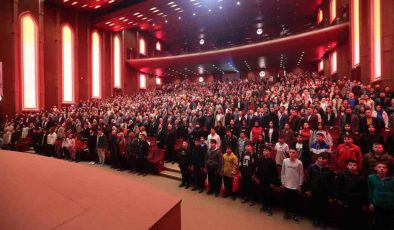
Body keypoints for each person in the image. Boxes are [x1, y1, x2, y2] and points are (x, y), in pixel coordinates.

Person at [335, 160, 368, 229]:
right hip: (345, 200)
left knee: (355, 218)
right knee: (345, 217)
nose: (352, 166)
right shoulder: (342, 175)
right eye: (350, 165)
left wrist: (364, 203)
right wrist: (339, 198)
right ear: (347, 166)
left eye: (354, 165)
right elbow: (338, 187)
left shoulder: (362, 177)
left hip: (356, 201)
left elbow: (364, 191)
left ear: (357, 167)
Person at [305, 153, 335, 228]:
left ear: (327, 160)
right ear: (317, 158)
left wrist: (331, 195)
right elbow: (308, 179)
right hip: (314, 190)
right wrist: (308, 189)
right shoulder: (312, 167)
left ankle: (323, 221)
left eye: (324, 159)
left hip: (324, 192)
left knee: (324, 207)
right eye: (320, 158)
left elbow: (332, 183)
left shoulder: (330, 170)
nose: (321, 160)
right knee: (315, 206)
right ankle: (316, 219)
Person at [368, 162, 394, 229]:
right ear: (375, 168)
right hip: (377, 204)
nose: (381, 169)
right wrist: (371, 202)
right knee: (378, 223)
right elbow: (370, 190)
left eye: (384, 167)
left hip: (390, 205)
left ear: (387, 169)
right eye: (379, 167)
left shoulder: (392, 179)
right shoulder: (371, 178)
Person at [255, 146, 279, 216]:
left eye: (266, 150)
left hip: (269, 181)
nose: (264, 152)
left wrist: (273, 183)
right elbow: (258, 169)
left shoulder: (272, 161)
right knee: (263, 193)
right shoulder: (261, 159)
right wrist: (258, 178)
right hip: (262, 180)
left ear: (270, 152)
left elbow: (275, 173)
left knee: (269, 194)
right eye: (263, 150)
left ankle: (270, 207)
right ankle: (264, 205)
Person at [281, 149, 303, 222]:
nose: (291, 154)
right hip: (287, 184)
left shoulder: (299, 163)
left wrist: (299, 185)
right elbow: (283, 173)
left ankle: (294, 214)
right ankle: (286, 213)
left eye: (293, 152)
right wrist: (283, 182)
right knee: (286, 200)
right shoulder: (285, 161)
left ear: (296, 154)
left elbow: (301, 175)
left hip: (295, 185)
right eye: (290, 152)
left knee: (295, 201)